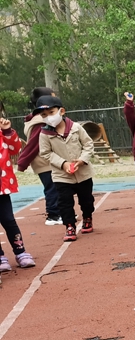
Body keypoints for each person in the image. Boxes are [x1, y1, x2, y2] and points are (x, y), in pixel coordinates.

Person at [35, 96, 96, 241]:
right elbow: (45, 153)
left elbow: (88, 144)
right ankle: (69, 225)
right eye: (44, 115)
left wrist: (82, 160)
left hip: (83, 173)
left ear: (61, 111)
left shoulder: (76, 128)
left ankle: (87, 217)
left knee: (86, 200)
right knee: (64, 202)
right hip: (61, 175)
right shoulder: (44, 134)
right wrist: (63, 164)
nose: (48, 117)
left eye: (51, 112)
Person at [16, 87, 61, 225]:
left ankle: (60, 211)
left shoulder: (39, 119)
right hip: (44, 161)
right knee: (52, 188)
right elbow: (33, 144)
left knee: (58, 187)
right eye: (52, 96)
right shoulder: (40, 121)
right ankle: (53, 215)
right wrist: (23, 162)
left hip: (49, 160)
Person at [0, 117, 36, 269]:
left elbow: (15, 149)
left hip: (1, 189)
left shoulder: (2, 134)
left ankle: (20, 252)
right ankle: (0, 257)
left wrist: (7, 131)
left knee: (9, 220)